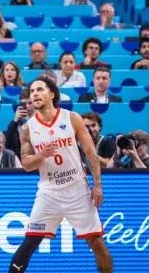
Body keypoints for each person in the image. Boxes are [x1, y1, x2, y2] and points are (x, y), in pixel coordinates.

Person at [11, 77, 112, 273]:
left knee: (96, 242)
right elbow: (26, 165)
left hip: (77, 189)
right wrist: (41, 155)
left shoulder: (71, 118)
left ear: (51, 94)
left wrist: (97, 184)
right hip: (49, 192)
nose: (35, 94)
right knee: (30, 241)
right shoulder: (27, 128)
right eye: (32, 92)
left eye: (40, 90)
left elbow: (91, 153)